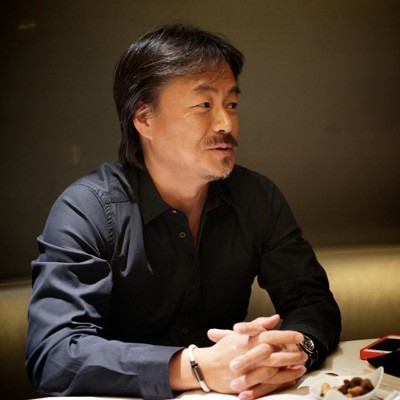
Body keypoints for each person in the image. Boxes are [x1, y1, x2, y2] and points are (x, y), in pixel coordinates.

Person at [26, 24, 341, 400]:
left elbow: (312, 301)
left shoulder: (256, 197)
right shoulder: (87, 209)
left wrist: (291, 350)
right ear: (144, 119)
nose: (226, 124)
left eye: (231, 105)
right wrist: (196, 366)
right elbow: (54, 354)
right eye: (204, 105)